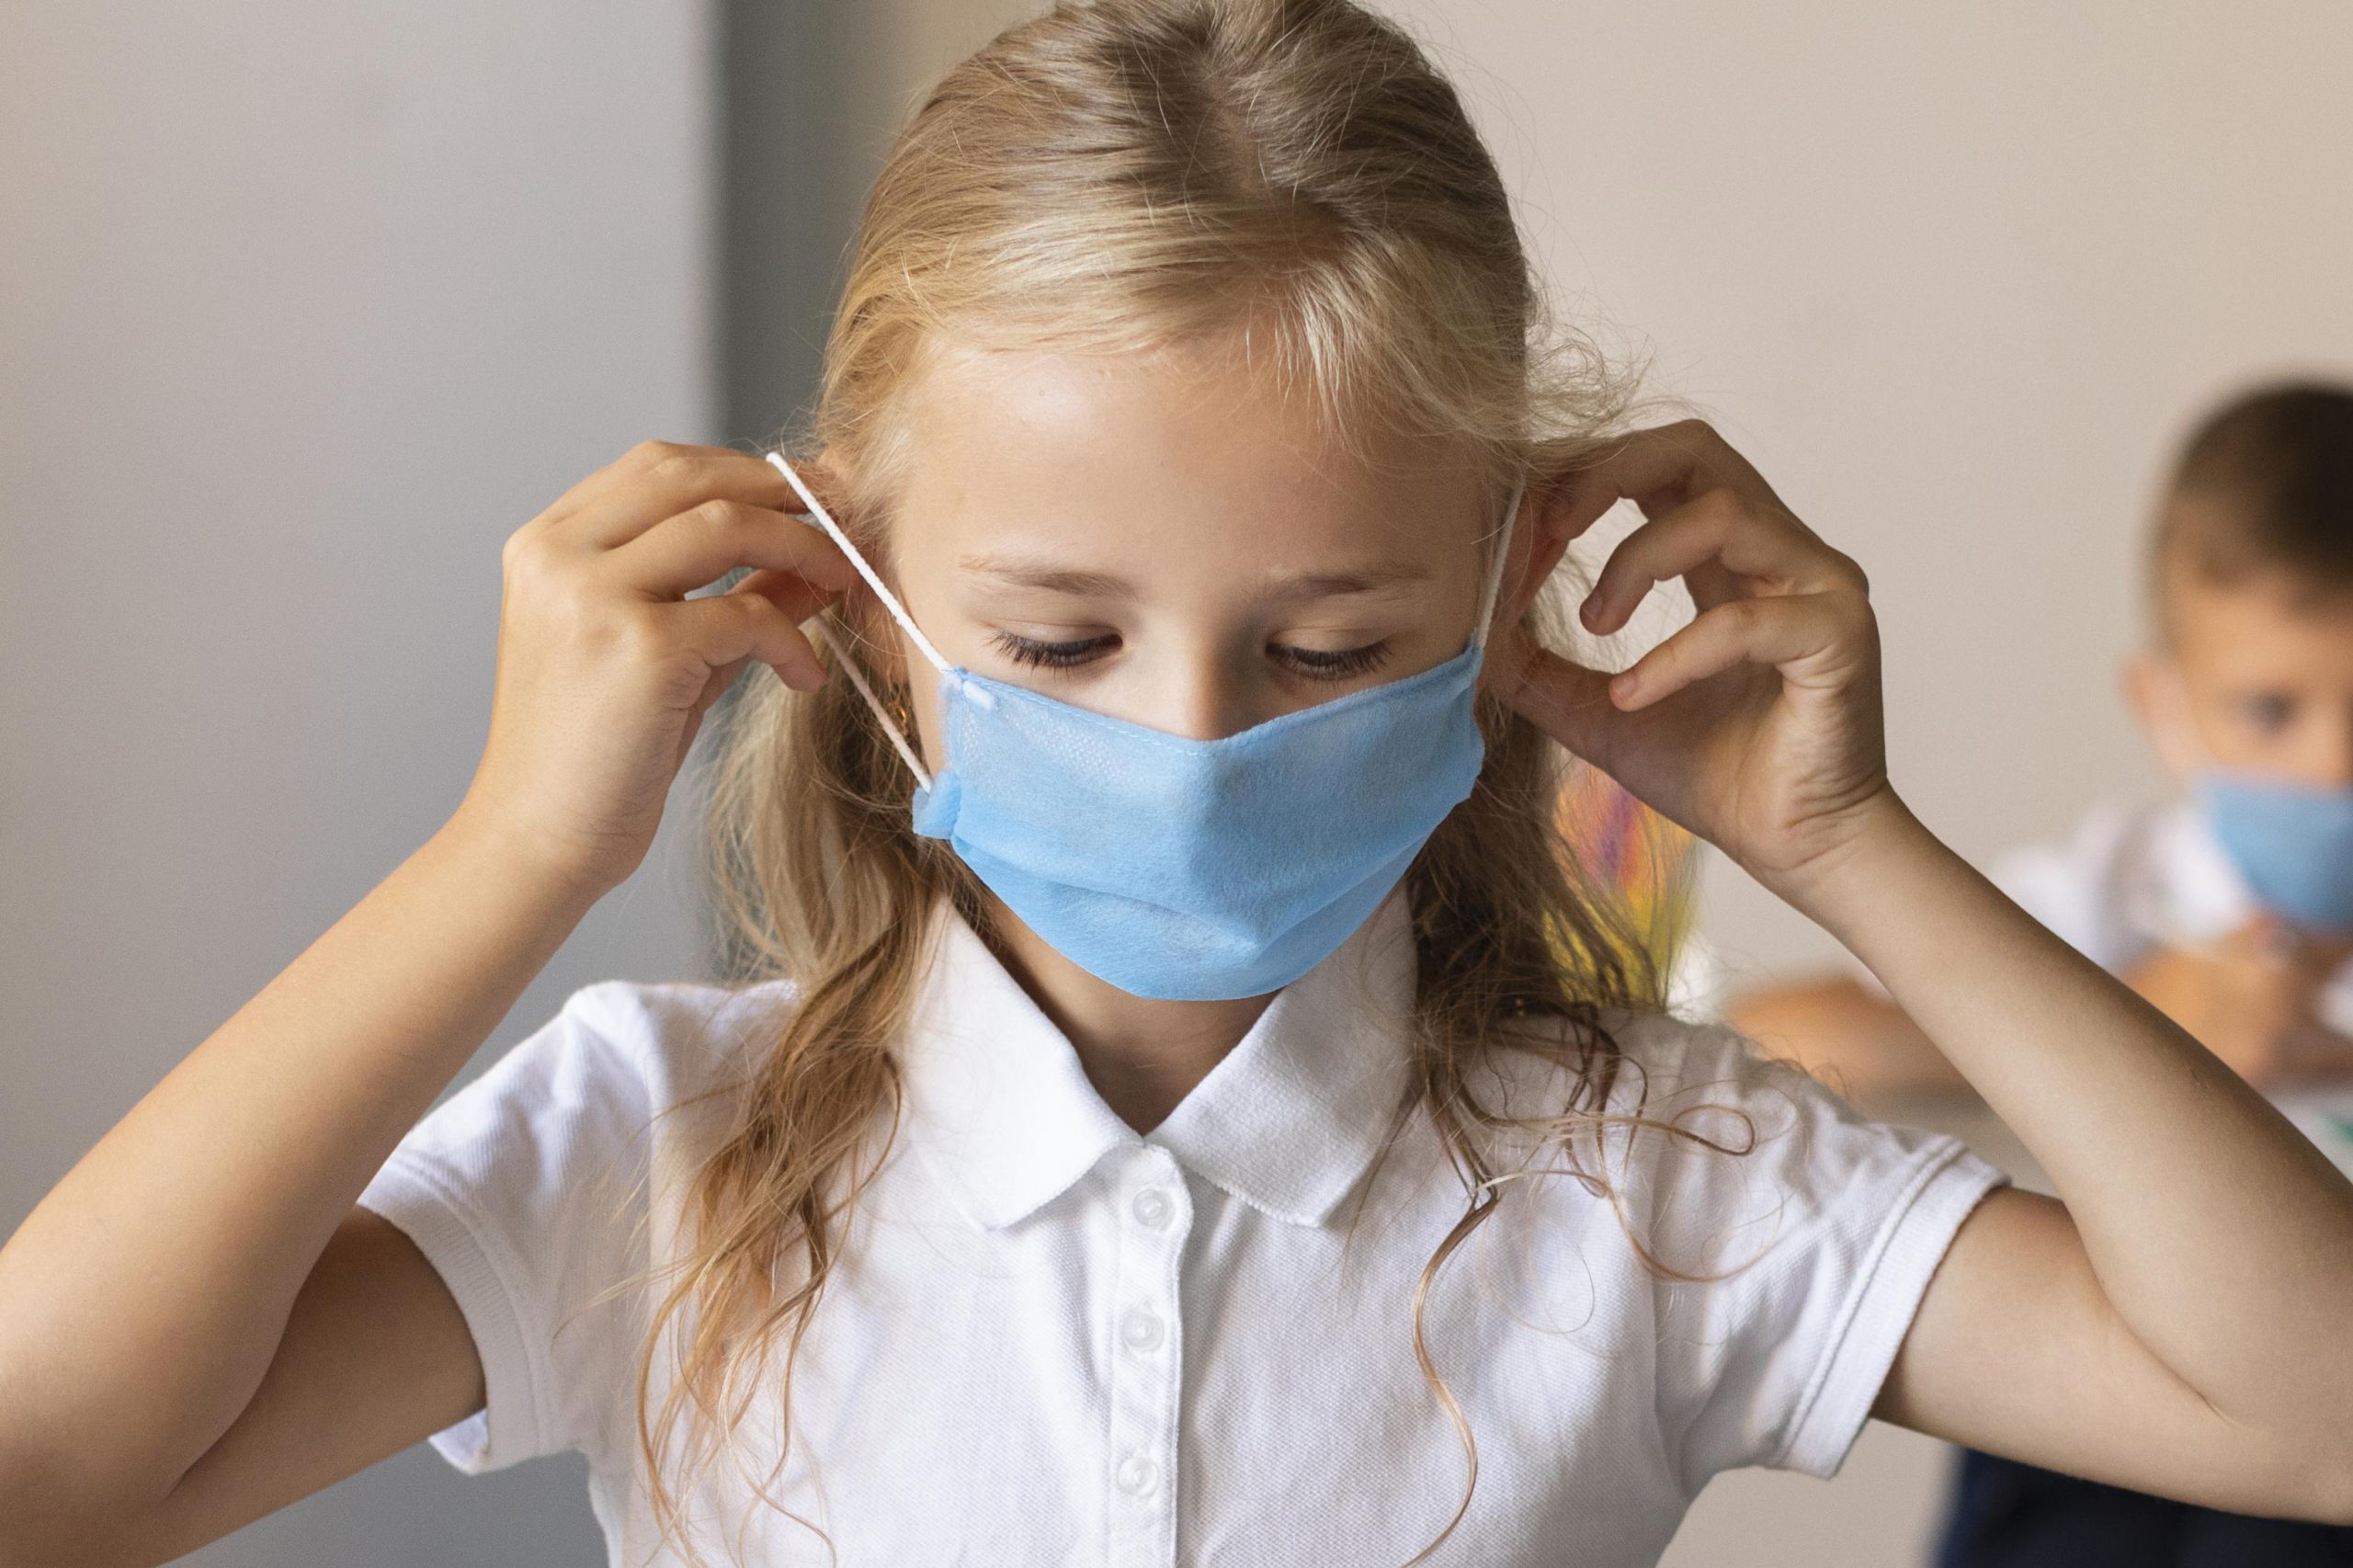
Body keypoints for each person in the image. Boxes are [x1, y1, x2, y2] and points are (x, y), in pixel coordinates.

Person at [3, 5, 2349, 1565]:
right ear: (842, 591)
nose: (1195, 739)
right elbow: (48, 1468)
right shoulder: (658, 1151)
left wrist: (1849, 846)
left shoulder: (1646, 1169)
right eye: (1053, 640)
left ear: (1507, 590)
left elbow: (2307, 1414)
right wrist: (512, 854)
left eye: (1327, 644)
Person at [1730, 381, 2353, 1565]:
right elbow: (1778, 1036)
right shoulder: (2116, 899)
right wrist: (2142, 1024)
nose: (2331, 766)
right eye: (2270, 709)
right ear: (2164, 710)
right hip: (2105, 1405)